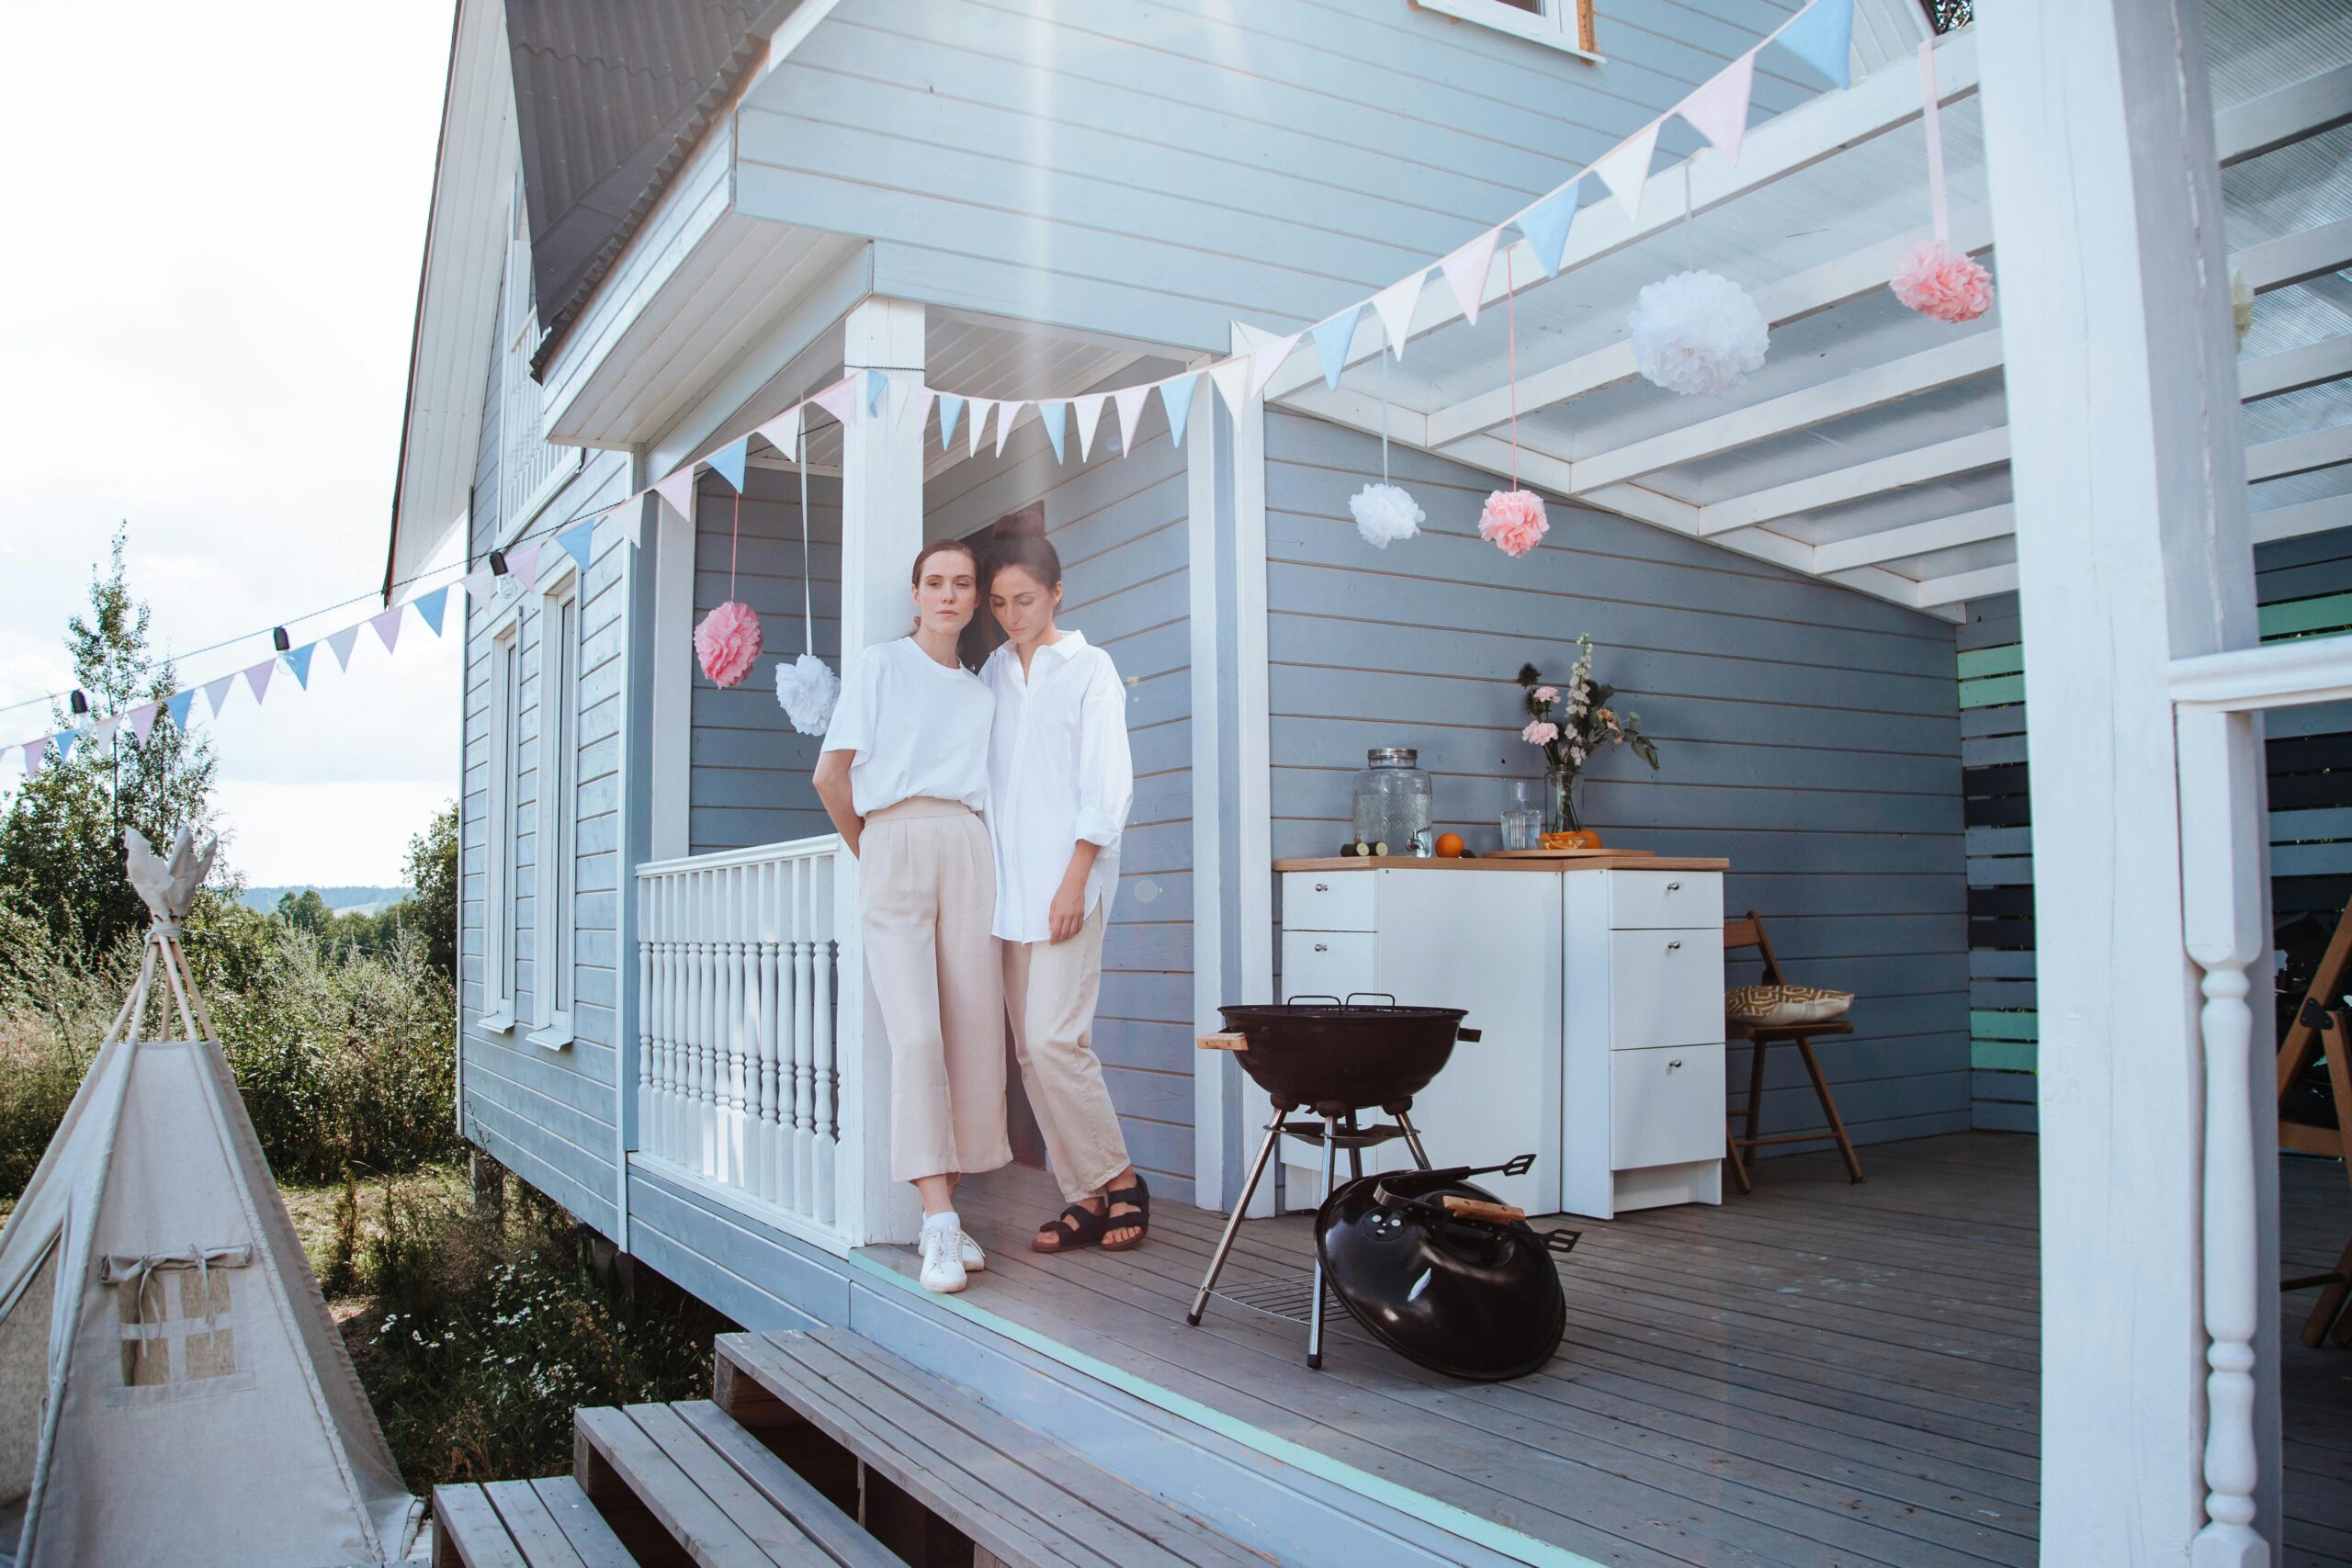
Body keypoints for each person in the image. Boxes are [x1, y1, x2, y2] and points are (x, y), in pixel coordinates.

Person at [813, 539, 1008, 1292]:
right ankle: (936, 1223)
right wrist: (874, 848)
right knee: (917, 1035)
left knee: (968, 1034)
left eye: (962, 584)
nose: (949, 595)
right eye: (936, 582)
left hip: (967, 844)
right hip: (892, 837)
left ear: (974, 596)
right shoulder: (880, 667)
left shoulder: (980, 693)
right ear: (916, 592)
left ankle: (947, 1217)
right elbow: (832, 775)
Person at [979, 534, 1148, 1253]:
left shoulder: (1090, 668)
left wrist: (1077, 874)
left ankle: (1121, 1179)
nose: (1011, 614)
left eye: (1024, 599)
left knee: (1056, 1039)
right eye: (999, 603)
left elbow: (1106, 782)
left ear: (1056, 592)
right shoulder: (989, 671)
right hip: (1005, 888)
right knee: (1028, 1054)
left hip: (1067, 882)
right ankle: (1080, 1195)